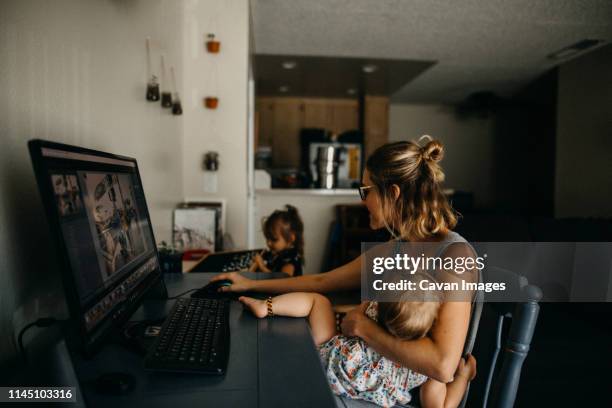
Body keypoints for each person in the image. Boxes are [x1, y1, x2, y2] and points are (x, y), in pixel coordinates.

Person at [213, 136, 479, 405]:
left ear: (393, 193)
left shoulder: (455, 255)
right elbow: (322, 281)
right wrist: (249, 284)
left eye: (366, 191)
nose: (363, 200)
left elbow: (443, 366)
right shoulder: (398, 248)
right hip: (361, 377)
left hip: (391, 396)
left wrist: (363, 327)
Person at [239, 277, 476, 407]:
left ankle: (266, 306)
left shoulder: (371, 311)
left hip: (331, 365)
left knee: (318, 302)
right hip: (370, 394)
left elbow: (351, 321)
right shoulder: (422, 367)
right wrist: (462, 378)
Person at [248, 205, 304, 277]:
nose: (268, 243)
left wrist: (262, 267)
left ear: (290, 238)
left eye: (274, 239)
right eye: (267, 238)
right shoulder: (275, 253)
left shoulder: (290, 258)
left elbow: (283, 282)